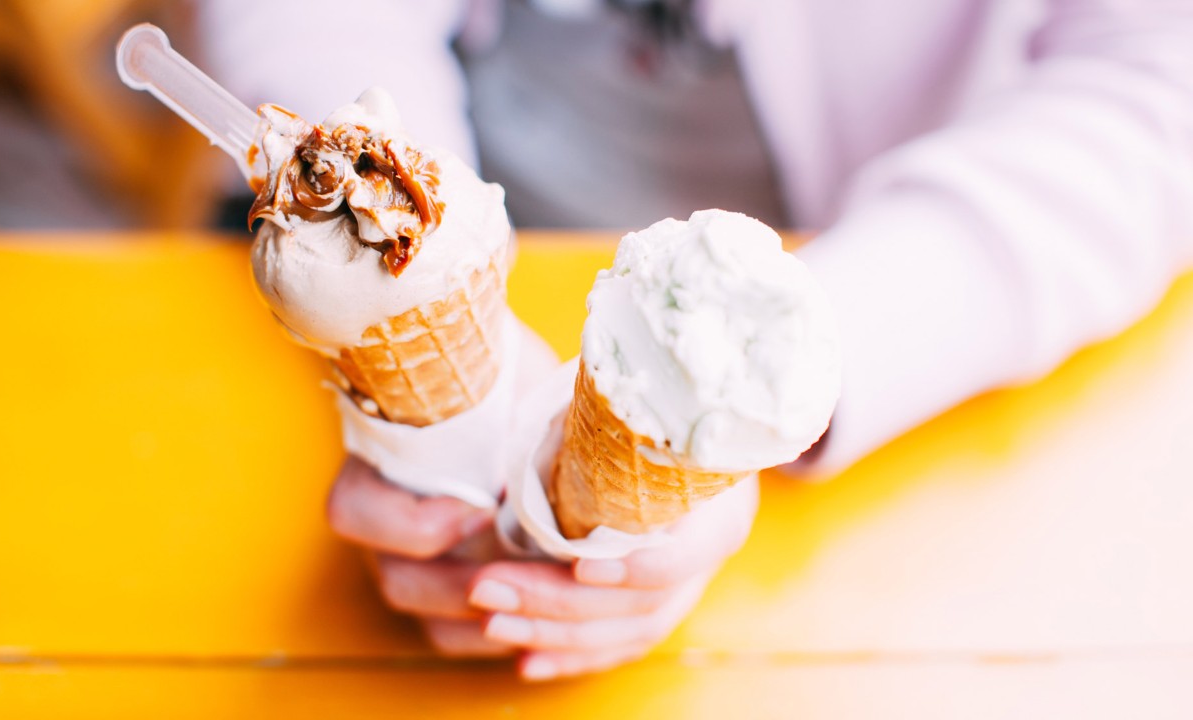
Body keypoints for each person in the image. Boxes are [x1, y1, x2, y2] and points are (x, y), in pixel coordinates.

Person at [197, 0, 1193, 680]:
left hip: (869, 257)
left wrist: (773, 372)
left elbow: (1158, 89)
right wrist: (410, 355)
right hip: (438, 163)